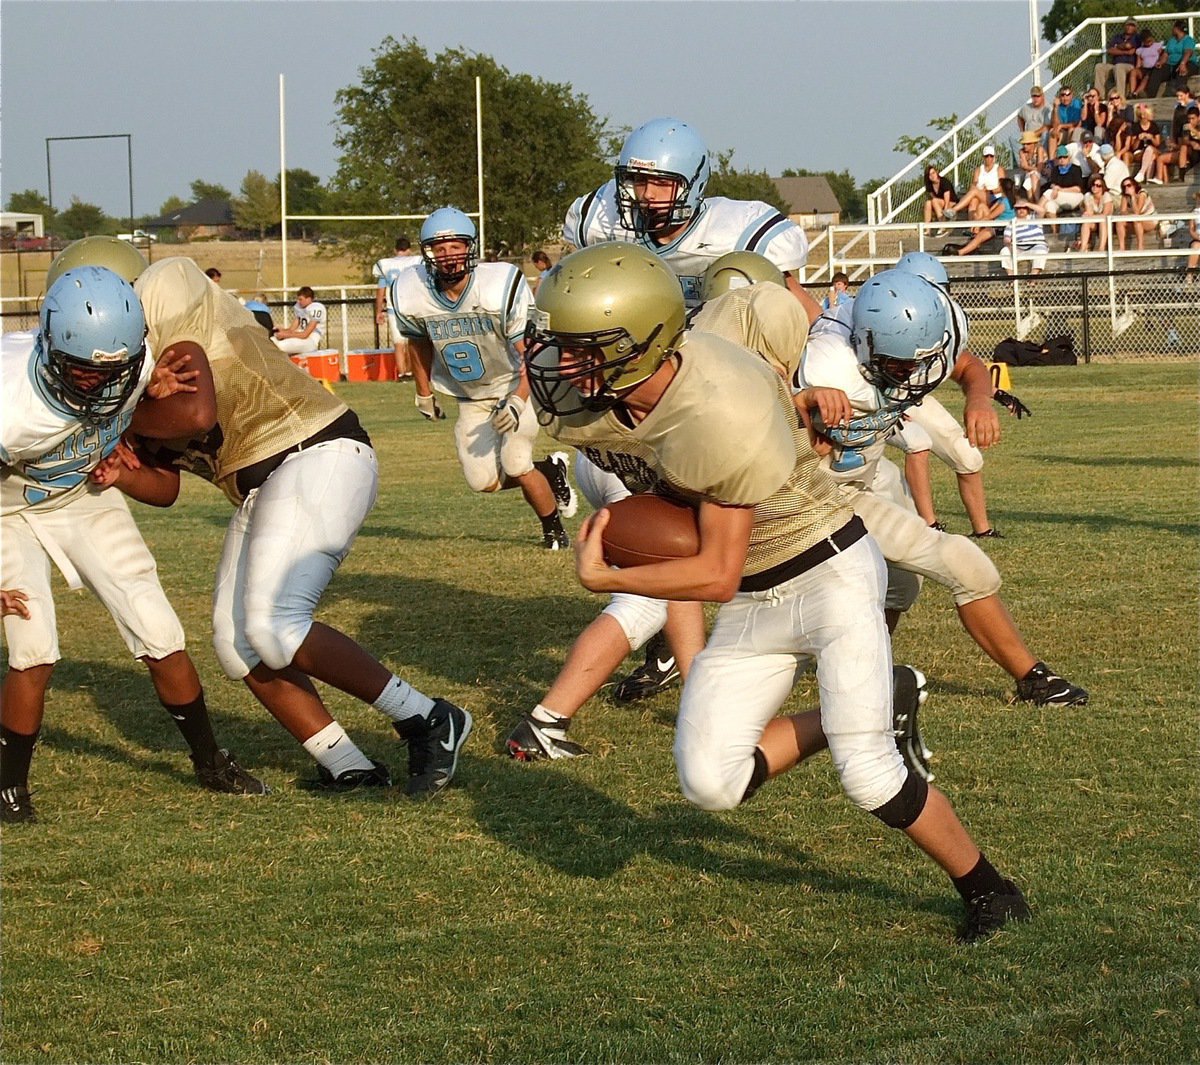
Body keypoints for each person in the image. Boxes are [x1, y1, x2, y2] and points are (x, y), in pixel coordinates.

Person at [523, 241, 1032, 944]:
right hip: (755, 598)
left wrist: (610, 578)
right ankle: (885, 698)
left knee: (870, 775)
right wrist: (793, 399)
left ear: (641, 345)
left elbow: (712, 575)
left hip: (827, 571)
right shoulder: (654, 366)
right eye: (560, 345)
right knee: (710, 780)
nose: (563, 365)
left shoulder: (714, 412)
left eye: (585, 349)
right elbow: (759, 303)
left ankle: (991, 890)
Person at [57, 241, 472, 799]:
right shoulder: (122, 383)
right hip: (260, 486)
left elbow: (195, 412)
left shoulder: (170, 293)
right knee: (238, 647)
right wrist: (119, 470)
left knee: (276, 626)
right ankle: (346, 763)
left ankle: (427, 718)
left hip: (314, 449)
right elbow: (166, 488)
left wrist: (120, 419)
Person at [561, 116, 816, 700]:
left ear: (695, 183)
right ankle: (683, 650)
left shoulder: (742, 227)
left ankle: (691, 645)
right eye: (635, 181)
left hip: (718, 389)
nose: (643, 197)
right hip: (639, 390)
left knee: (728, 531)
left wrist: (790, 384)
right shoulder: (598, 219)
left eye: (660, 183)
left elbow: (788, 309)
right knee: (666, 521)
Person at [1, 264, 267, 824]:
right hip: (9, 512)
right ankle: (9, 788)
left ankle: (209, 760)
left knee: (160, 630)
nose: (100, 382)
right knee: (35, 649)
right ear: (50, 344)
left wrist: (147, 392)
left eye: (116, 369)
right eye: (82, 371)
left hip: (82, 492)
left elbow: (158, 471)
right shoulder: (10, 401)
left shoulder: (134, 358)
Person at [799, 265, 1086, 708]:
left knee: (918, 581)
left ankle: (1030, 680)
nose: (916, 371)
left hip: (860, 483)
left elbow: (967, 364)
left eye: (922, 360)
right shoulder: (828, 361)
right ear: (866, 344)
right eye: (901, 364)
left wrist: (978, 398)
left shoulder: (922, 335)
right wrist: (803, 418)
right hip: (808, 495)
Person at [389, 207, 576, 550]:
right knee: (483, 481)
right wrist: (423, 392)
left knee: (516, 463)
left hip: (513, 385)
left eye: (456, 246)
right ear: (427, 253)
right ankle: (550, 472)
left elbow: (531, 352)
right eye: (439, 248)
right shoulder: (411, 290)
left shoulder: (496, 286)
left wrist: (520, 398)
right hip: (471, 397)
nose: (448, 256)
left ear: (470, 248)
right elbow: (418, 342)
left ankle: (553, 530)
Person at [889, 251, 1006, 539]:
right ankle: (928, 526)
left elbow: (968, 364)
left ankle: (982, 530)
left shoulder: (942, 328)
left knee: (968, 457)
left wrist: (979, 399)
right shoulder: (885, 322)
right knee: (917, 442)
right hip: (877, 402)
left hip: (912, 397)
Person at [372, 234, 419, 384]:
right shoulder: (416, 262)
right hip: (411, 305)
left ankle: (402, 374)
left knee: (398, 343)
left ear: (395, 249)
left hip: (393, 307)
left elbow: (380, 290)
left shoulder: (385, 264)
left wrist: (379, 311)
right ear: (409, 250)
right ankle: (413, 372)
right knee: (412, 341)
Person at [944, 146, 1005, 222]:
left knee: (974, 192)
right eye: (987, 156)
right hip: (980, 195)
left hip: (993, 196)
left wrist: (990, 190)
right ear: (983, 157)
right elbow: (974, 184)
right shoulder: (979, 170)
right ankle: (971, 227)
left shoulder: (998, 169)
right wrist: (979, 189)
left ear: (994, 157)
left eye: (991, 156)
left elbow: (1002, 187)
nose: (989, 158)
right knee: (973, 200)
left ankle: (954, 209)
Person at [270, 286, 326, 355]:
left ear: (308, 299)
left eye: (300, 299)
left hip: (311, 340)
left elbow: (305, 334)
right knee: (273, 340)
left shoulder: (316, 308)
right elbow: (291, 330)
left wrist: (285, 335)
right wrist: (281, 330)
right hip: (301, 336)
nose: (298, 302)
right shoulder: (299, 308)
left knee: (281, 345)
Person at [1094, 19, 1140, 101]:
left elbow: (1130, 47)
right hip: (1115, 65)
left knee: (1119, 67)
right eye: (1128, 25)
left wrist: (1117, 47)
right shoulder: (1117, 37)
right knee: (1099, 66)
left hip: (1129, 66)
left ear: (1135, 28)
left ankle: (1120, 97)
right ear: (1124, 26)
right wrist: (1125, 50)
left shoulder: (1137, 38)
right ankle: (1099, 96)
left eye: (1132, 26)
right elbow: (1110, 50)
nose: (1129, 27)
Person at [1002, 201, 1050, 274]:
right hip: (1019, 248)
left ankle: (1032, 278)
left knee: (1041, 250)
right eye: (1018, 208)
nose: (1021, 210)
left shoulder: (1034, 218)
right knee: (1004, 251)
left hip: (1036, 246)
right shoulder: (1011, 223)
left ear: (1028, 209)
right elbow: (1006, 239)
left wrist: (1027, 203)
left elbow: (1042, 211)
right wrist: (1010, 246)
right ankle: (1012, 277)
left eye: (1024, 208)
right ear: (1015, 211)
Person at [1039, 147, 1087, 217]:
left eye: (1065, 157)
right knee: (1049, 206)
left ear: (1069, 157)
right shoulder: (1055, 170)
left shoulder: (1076, 169)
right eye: (1060, 157)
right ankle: (1053, 227)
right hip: (1059, 197)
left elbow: (1078, 189)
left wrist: (1060, 189)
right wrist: (1055, 188)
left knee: (1048, 192)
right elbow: (1053, 184)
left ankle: (1034, 218)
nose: (1062, 159)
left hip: (1074, 196)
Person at [1122, 103, 1163, 183]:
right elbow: (1133, 147)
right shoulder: (1136, 127)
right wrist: (1138, 139)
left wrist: (1151, 138)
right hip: (1139, 152)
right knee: (1151, 157)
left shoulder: (1154, 126)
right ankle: (1148, 180)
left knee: (1150, 149)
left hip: (1153, 149)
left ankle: (1141, 173)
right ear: (1143, 116)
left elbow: (1157, 143)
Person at [1115, 177, 1156, 250]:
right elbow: (1122, 211)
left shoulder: (1142, 194)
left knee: (1137, 220)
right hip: (1134, 218)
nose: (1127, 188)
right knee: (1119, 222)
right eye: (1124, 186)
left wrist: (1133, 197)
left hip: (1149, 219)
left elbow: (1137, 212)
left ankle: (1140, 246)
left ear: (1134, 185)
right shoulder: (1125, 196)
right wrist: (1128, 214)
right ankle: (1121, 247)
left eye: (1129, 185)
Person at [1077, 176, 1117, 251]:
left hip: (1107, 223)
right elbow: (1089, 212)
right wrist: (1090, 215)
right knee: (1086, 223)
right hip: (1095, 222)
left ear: (1102, 187)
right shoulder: (1088, 196)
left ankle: (1101, 248)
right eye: (1093, 185)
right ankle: (1083, 247)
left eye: (1098, 185)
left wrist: (1091, 215)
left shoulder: (1106, 196)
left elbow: (1105, 214)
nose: (1095, 187)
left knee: (1102, 221)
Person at [1128, 29, 1166, 100]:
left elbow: (1162, 56)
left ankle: (1136, 93)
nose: (1149, 43)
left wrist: (1160, 61)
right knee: (1133, 72)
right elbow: (1138, 63)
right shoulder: (1140, 50)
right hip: (1144, 68)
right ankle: (1131, 92)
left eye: (1150, 41)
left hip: (1153, 68)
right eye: (1147, 42)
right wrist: (1137, 69)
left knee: (1147, 77)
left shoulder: (1157, 46)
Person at [1048, 85, 1084, 156]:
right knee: (1052, 132)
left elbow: (1076, 123)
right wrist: (1055, 108)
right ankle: (1051, 161)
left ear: (1071, 95)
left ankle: (1068, 156)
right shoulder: (1058, 106)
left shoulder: (1076, 103)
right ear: (1059, 97)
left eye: (1068, 95)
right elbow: (1055, 125)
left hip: (1077, 131)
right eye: (1062, 95)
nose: (1065, 98)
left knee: (1071, 130)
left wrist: (1061, 125)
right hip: (1064, 132)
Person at [1017, 132, 1049, 200]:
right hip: (1029, 175)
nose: (1025, 146)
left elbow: (1040, 168)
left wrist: (1029, 168)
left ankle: (1035, 202)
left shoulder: (1039, 149)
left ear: (1034, 143)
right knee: (1030, 178)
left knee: (1032, 176)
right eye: (1024, 144)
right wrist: (1033, 169)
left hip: (1043, 175)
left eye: (1028, 144)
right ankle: (1035, 203)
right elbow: (1024, 166)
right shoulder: (1022, 152)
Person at [923, 165, 956, 231]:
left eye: (933, 173)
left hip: (951, 202)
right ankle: (927, 229)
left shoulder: (944, 182)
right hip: (939, 203)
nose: (932, 176)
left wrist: (946, 209)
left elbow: (947, 199)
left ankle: (943, 225)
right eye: (929, 175)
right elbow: (933, 197)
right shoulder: (929, 185)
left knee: (934, 201)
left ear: (937, 172)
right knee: (928, 203)